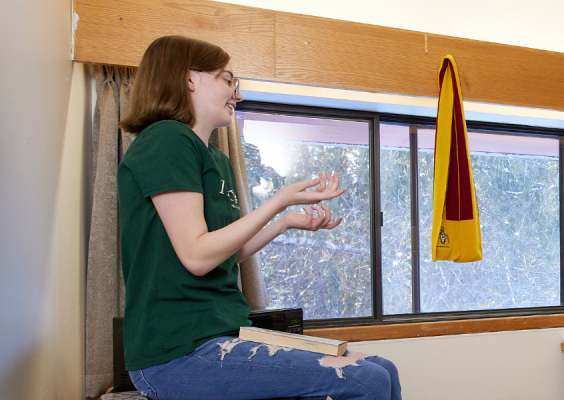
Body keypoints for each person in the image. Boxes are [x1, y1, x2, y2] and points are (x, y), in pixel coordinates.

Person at [117, 35, 401, 400]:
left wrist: (286, 222)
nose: (237, 94)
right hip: (176, 352)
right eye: (227, 79)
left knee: (383, 370)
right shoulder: (166, 139)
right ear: (190, 79)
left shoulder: (215, 159)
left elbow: (223, 254)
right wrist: (280, 200)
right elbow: (196, 255)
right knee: (366, 380)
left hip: (221, 334)